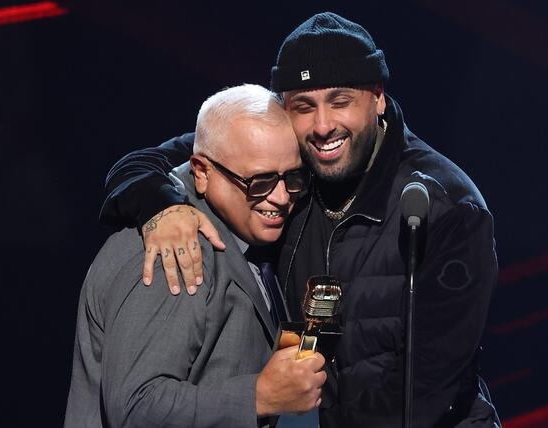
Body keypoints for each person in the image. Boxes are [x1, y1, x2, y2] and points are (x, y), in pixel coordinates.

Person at [100, 12, 500, 428]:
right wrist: (163, 207)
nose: (323, 126)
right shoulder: (290, 158)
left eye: (340, 101)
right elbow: (143, 164)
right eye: (304, 107)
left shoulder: (448, 209)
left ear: (377, 97)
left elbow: (426, 390)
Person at [65, 84, 327, 427]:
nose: (280, 197)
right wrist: (258, 397)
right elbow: (135, 407)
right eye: (260, 181)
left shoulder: (244, 227)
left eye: (292, 177)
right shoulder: (173, 248)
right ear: (202, 172)